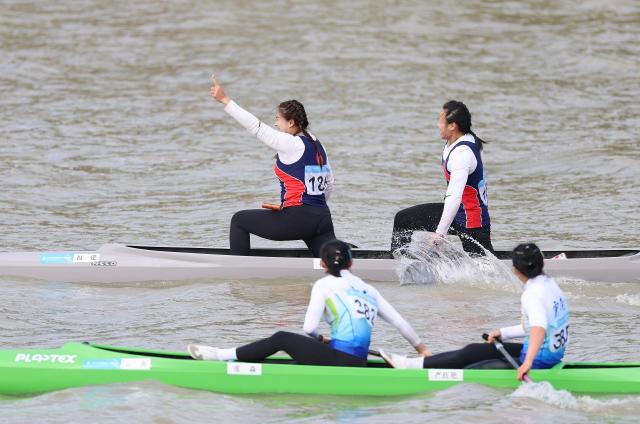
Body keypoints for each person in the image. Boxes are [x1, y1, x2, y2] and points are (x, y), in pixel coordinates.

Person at [188, 239, 431, 366]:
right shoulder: (369, 289)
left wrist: (318, 339)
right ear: (351, 263)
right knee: (302, 354)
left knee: (282, 338)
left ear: (323, 264)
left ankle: (221, 356)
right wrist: (421, 350)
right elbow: (399, 322)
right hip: (359, 361)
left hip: (341, 360)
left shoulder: (324, 285)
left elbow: (308, 328)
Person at [381, 243, 570, 381]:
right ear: (541, 264)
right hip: (550, 354)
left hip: (537, 359)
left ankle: (411, 367)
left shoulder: (533, 294)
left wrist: (527, 363)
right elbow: (538, 325)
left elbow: (539, 328)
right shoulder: (550, 285)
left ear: (515, 270)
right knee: (472, 351)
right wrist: (503, 333)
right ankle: (414, 364)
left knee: (470, 367)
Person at [209, 75, 335, 256]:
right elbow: (329, 183)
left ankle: (238, 274)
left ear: (291, 122)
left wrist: (225, 100)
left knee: (239, 220)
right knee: (334, 262)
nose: (275, 123)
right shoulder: (317, 144)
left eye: (278, 119)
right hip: (322, 218)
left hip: (298, 220)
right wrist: (312, 209)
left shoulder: (289, 143)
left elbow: (256, 127)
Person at [391, 100, 493, 256]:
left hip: (472, 223)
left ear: (452, 126)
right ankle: (399, 261)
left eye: (441, 120)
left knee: (486, 268)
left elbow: (454, 196)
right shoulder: (459, 140)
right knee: (404, 219)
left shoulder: (462, 153)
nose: (438, 125)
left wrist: (440, 234)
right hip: (458, 214)